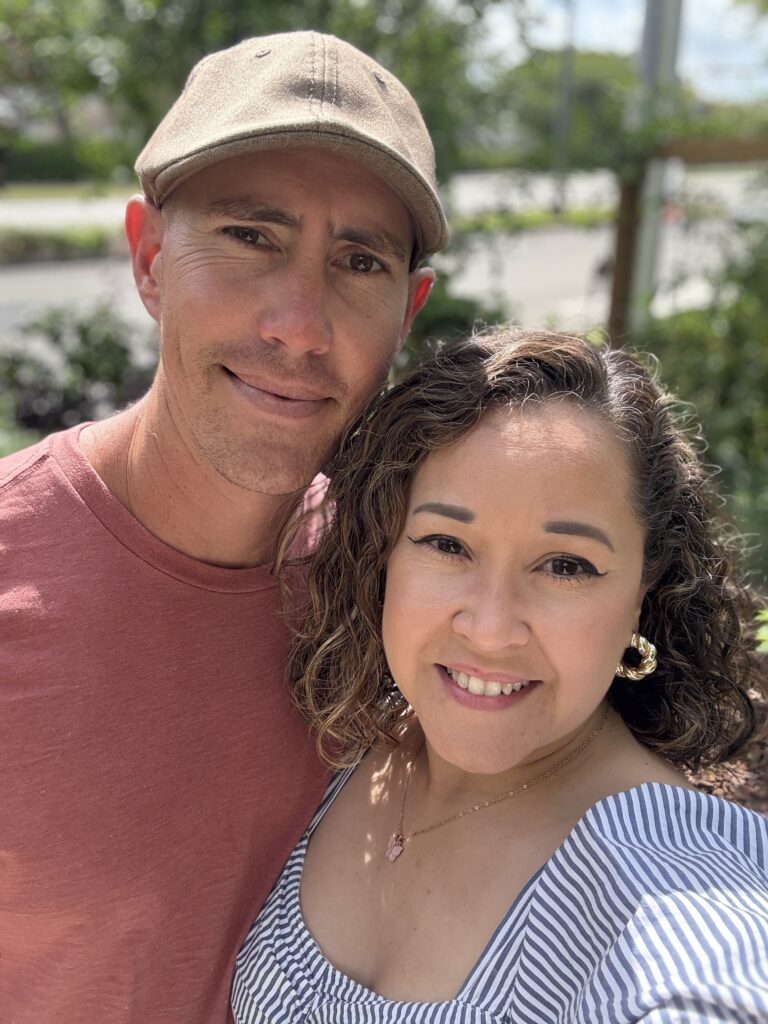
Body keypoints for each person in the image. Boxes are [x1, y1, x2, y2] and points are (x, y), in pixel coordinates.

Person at [0, 31, 446, 1024]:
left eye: (358, 260)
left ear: (407, 311)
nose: (299, 321)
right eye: (252, 236)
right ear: (150, 257)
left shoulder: (414, 594)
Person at [232, 328, 768, 1023]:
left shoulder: (672, 890)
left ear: (646, 586)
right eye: (447, 545)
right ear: (382, 549)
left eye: (566, 565)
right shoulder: (344, 745)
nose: (489, 629)